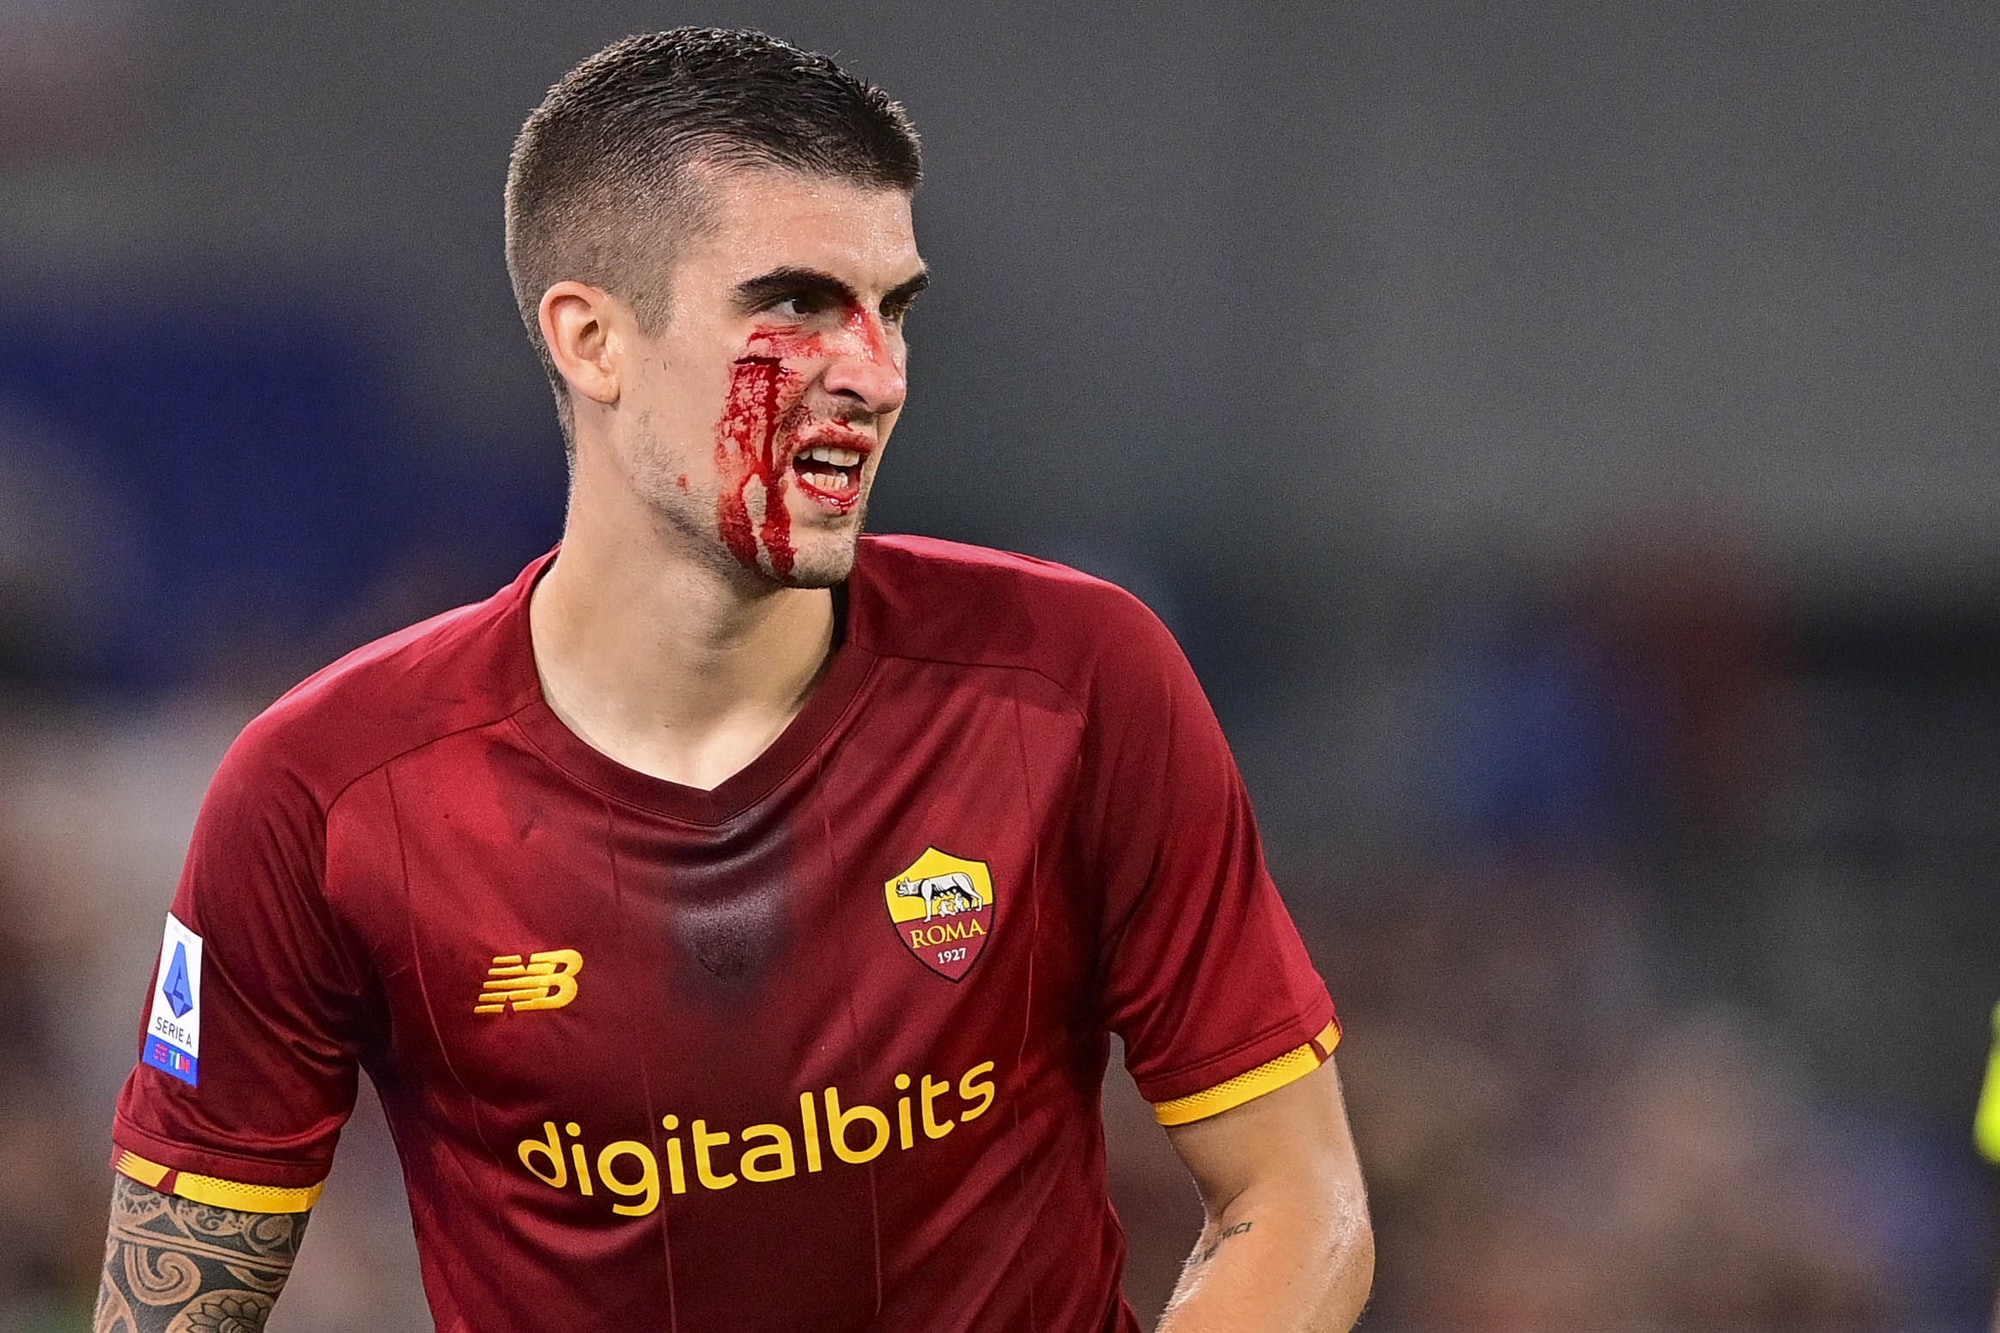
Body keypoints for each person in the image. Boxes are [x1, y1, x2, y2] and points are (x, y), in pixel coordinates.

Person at [94, 28, 1373, 1333]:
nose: (874, 374)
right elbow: (169, 1308)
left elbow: (1296, 1196)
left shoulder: (1072, 679)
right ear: (593, 339)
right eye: (796, 304)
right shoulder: (323, 795)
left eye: (894, 308)